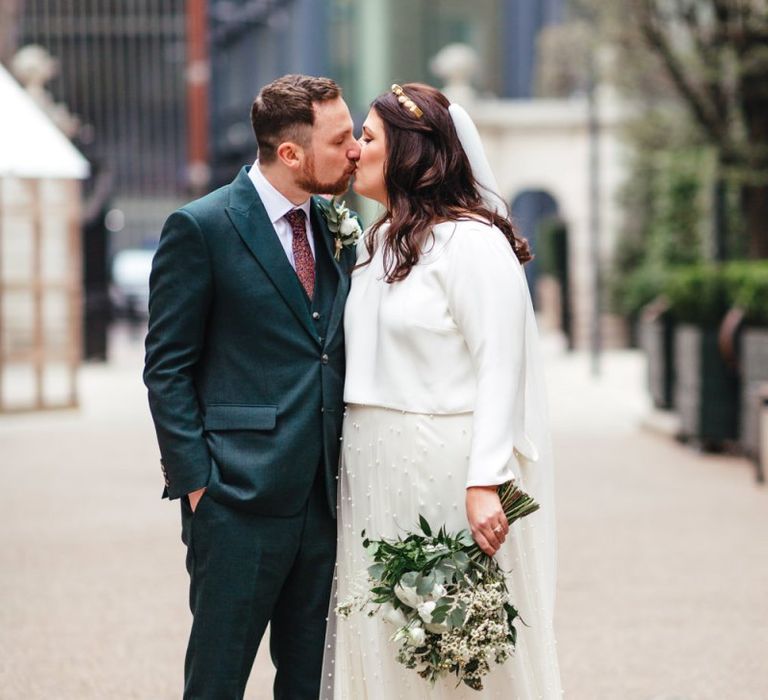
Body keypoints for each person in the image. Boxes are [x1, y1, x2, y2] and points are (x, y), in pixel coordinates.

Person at [322, 83, 563, 698]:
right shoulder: (375, 244)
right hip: (372, 464)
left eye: (368, 138)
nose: (353, 151)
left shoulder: (473, 243)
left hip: (444, 466)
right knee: (384, 638)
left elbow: (500, 366)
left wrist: (485, 480)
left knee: (452, 645)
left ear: (408, 152)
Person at [143, 74, 360, 700]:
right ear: (290, 153)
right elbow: (167, 366)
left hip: (322, 499)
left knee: (310, 685)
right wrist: (195, 484)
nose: (353, 149)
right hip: (235, 501)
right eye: (340, 137)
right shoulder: (201, 227)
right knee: (217, 681)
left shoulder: (333, 228)